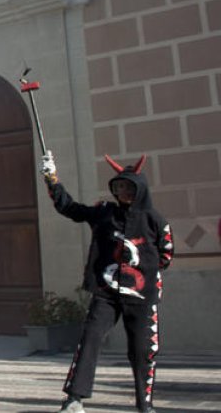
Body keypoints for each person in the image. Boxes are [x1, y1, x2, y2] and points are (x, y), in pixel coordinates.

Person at [41, 152, 173, 413]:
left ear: (140, 189)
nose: (123, 192)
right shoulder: (104, 212)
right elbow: (70, 208)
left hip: (142, 296)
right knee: (89, 338)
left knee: (143, 350)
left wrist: (142, 273)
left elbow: (166, 254)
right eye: (119, 187)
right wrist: (51, 178)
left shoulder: (155, 220)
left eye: (128, 187)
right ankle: (74, 400)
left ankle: (145, 406)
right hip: (106, 293)